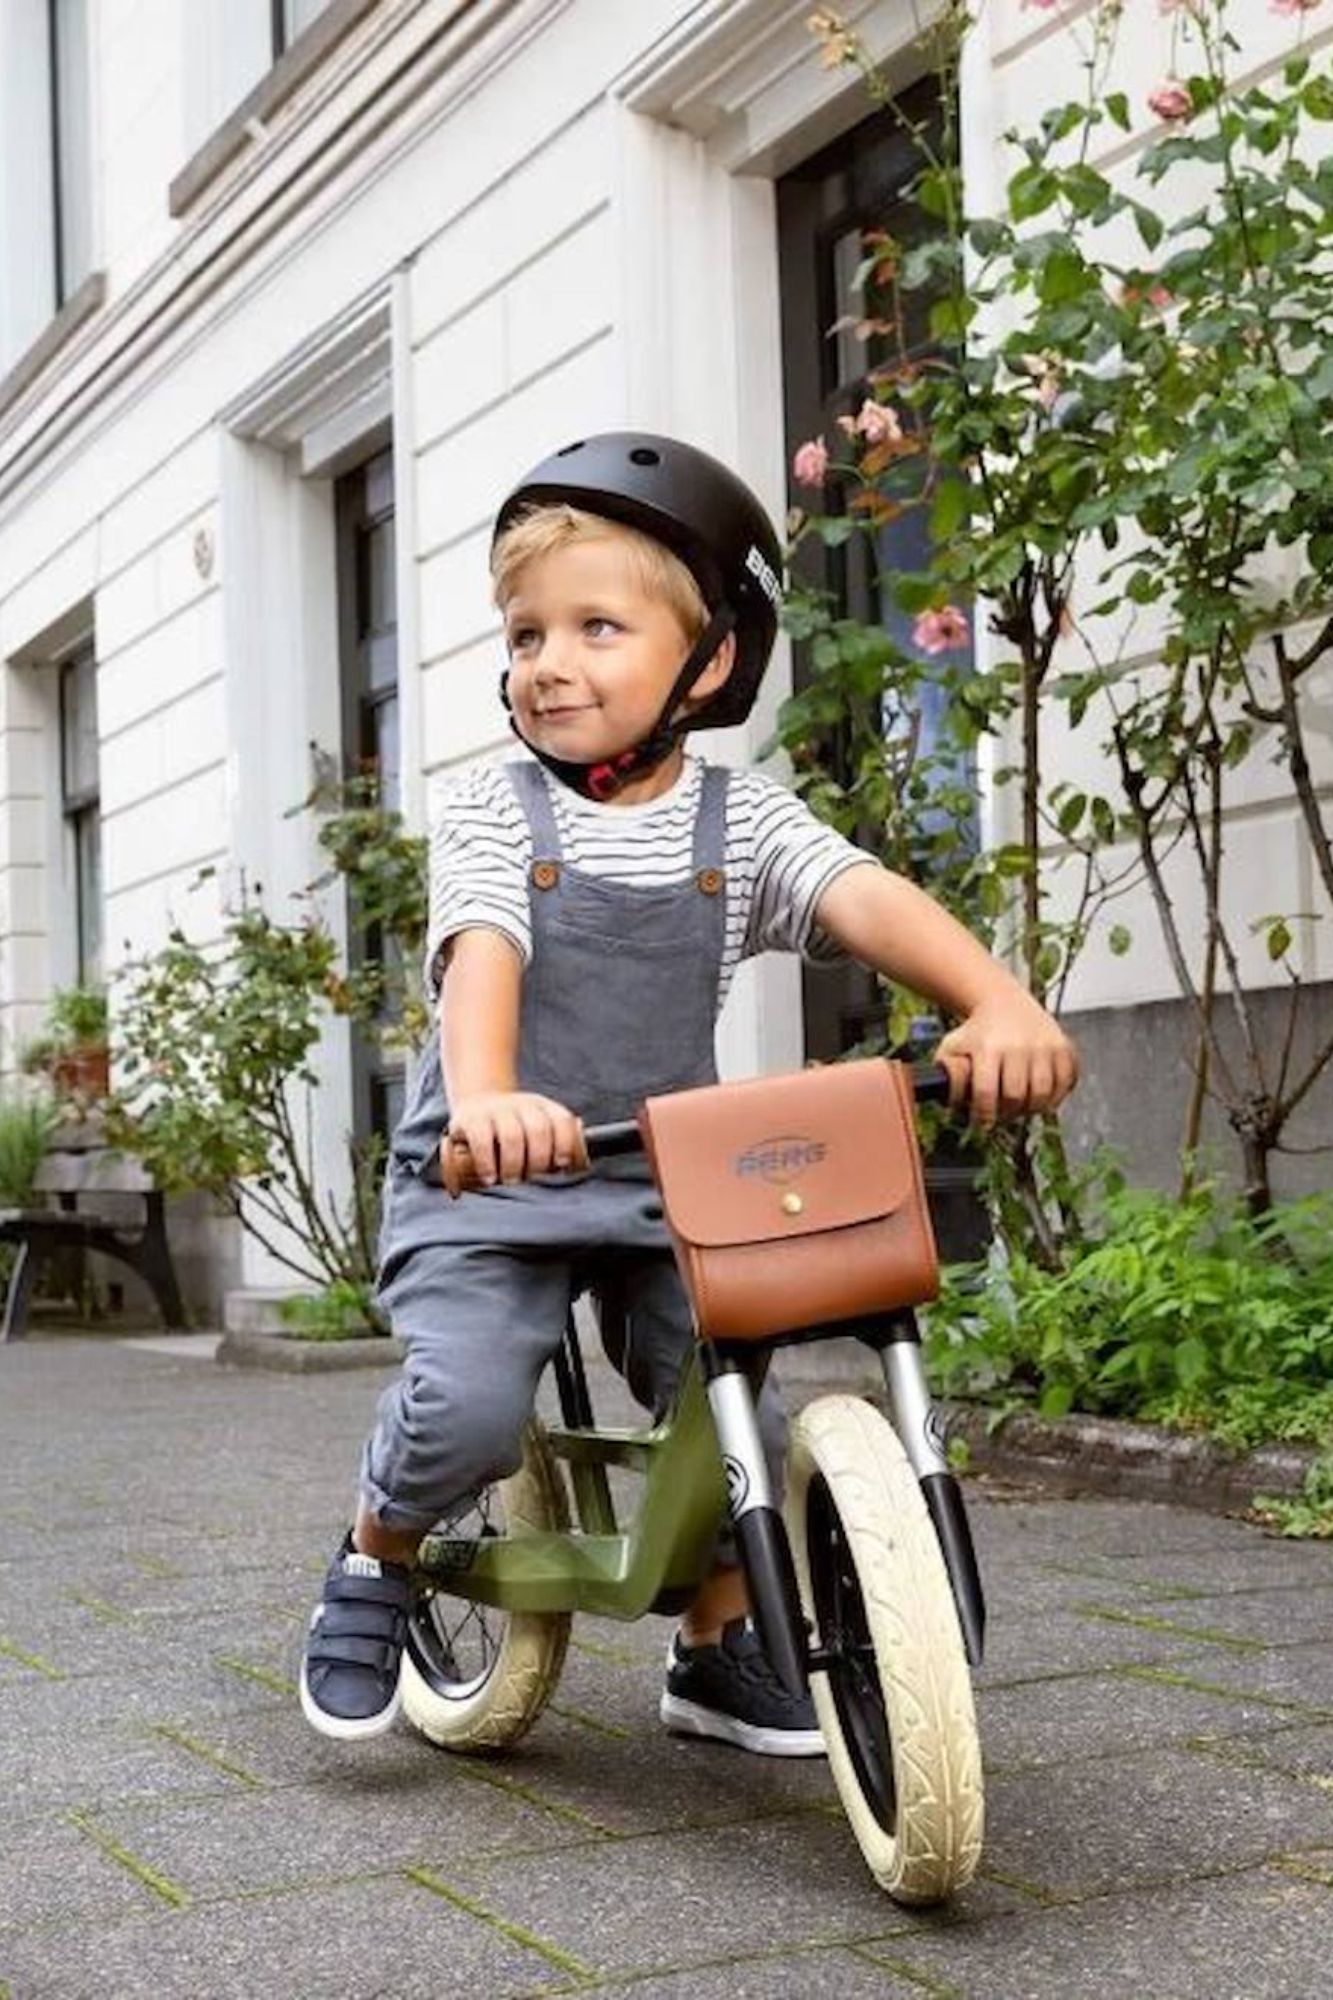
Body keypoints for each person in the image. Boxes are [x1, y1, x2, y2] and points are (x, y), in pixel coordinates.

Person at [299, 431, 1078, 1752]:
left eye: (595, 627)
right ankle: (376, 1549)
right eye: (525, 631)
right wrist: (487, 1097)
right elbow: (480, 956)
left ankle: (718, 1639)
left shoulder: (744, 822)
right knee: (473, 1401)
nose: (547, 663)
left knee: (730, 1400)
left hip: (661, 1176)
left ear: (706, 661)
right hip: (489, 1178)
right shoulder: (497, 814)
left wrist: (992, 1002)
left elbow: (866, 900)